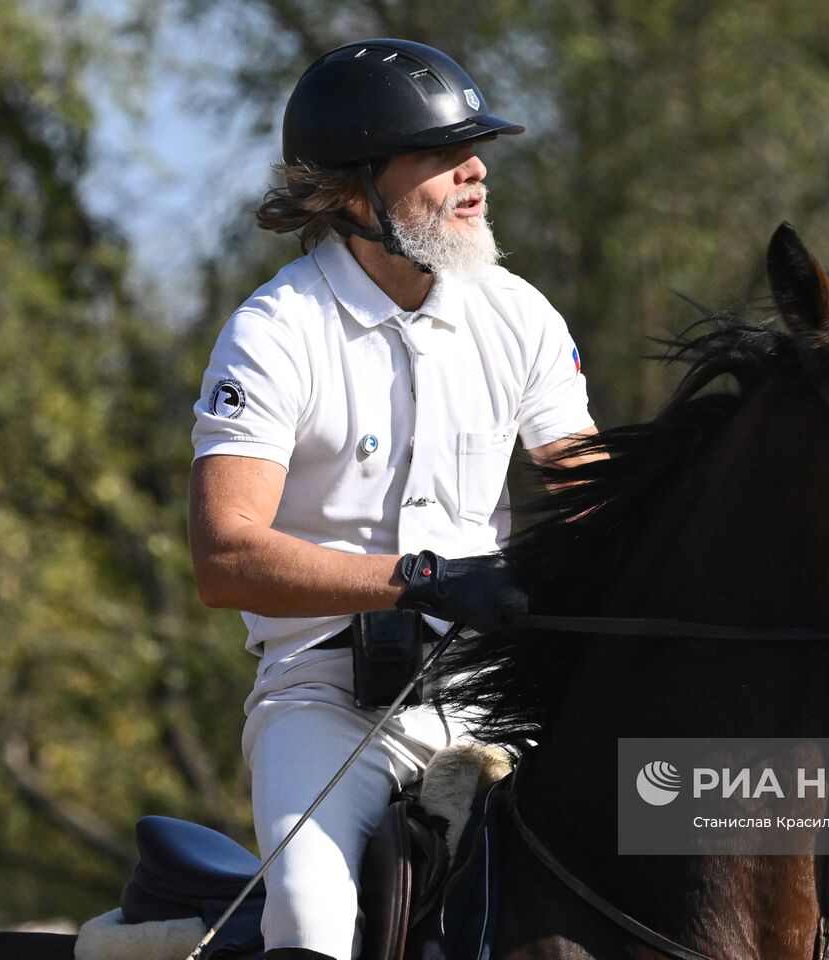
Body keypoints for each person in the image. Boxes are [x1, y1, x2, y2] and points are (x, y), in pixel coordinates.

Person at [187, 38, 596, 960]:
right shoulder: (274, 332)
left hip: (497, 692)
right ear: (350, 191)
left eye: (476, 149)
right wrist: (419, 580)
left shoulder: (519, 313)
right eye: (442, 156)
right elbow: (225, 555)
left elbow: (592, 499)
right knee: (311, 919)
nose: (476, 170)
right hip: (327, 702)